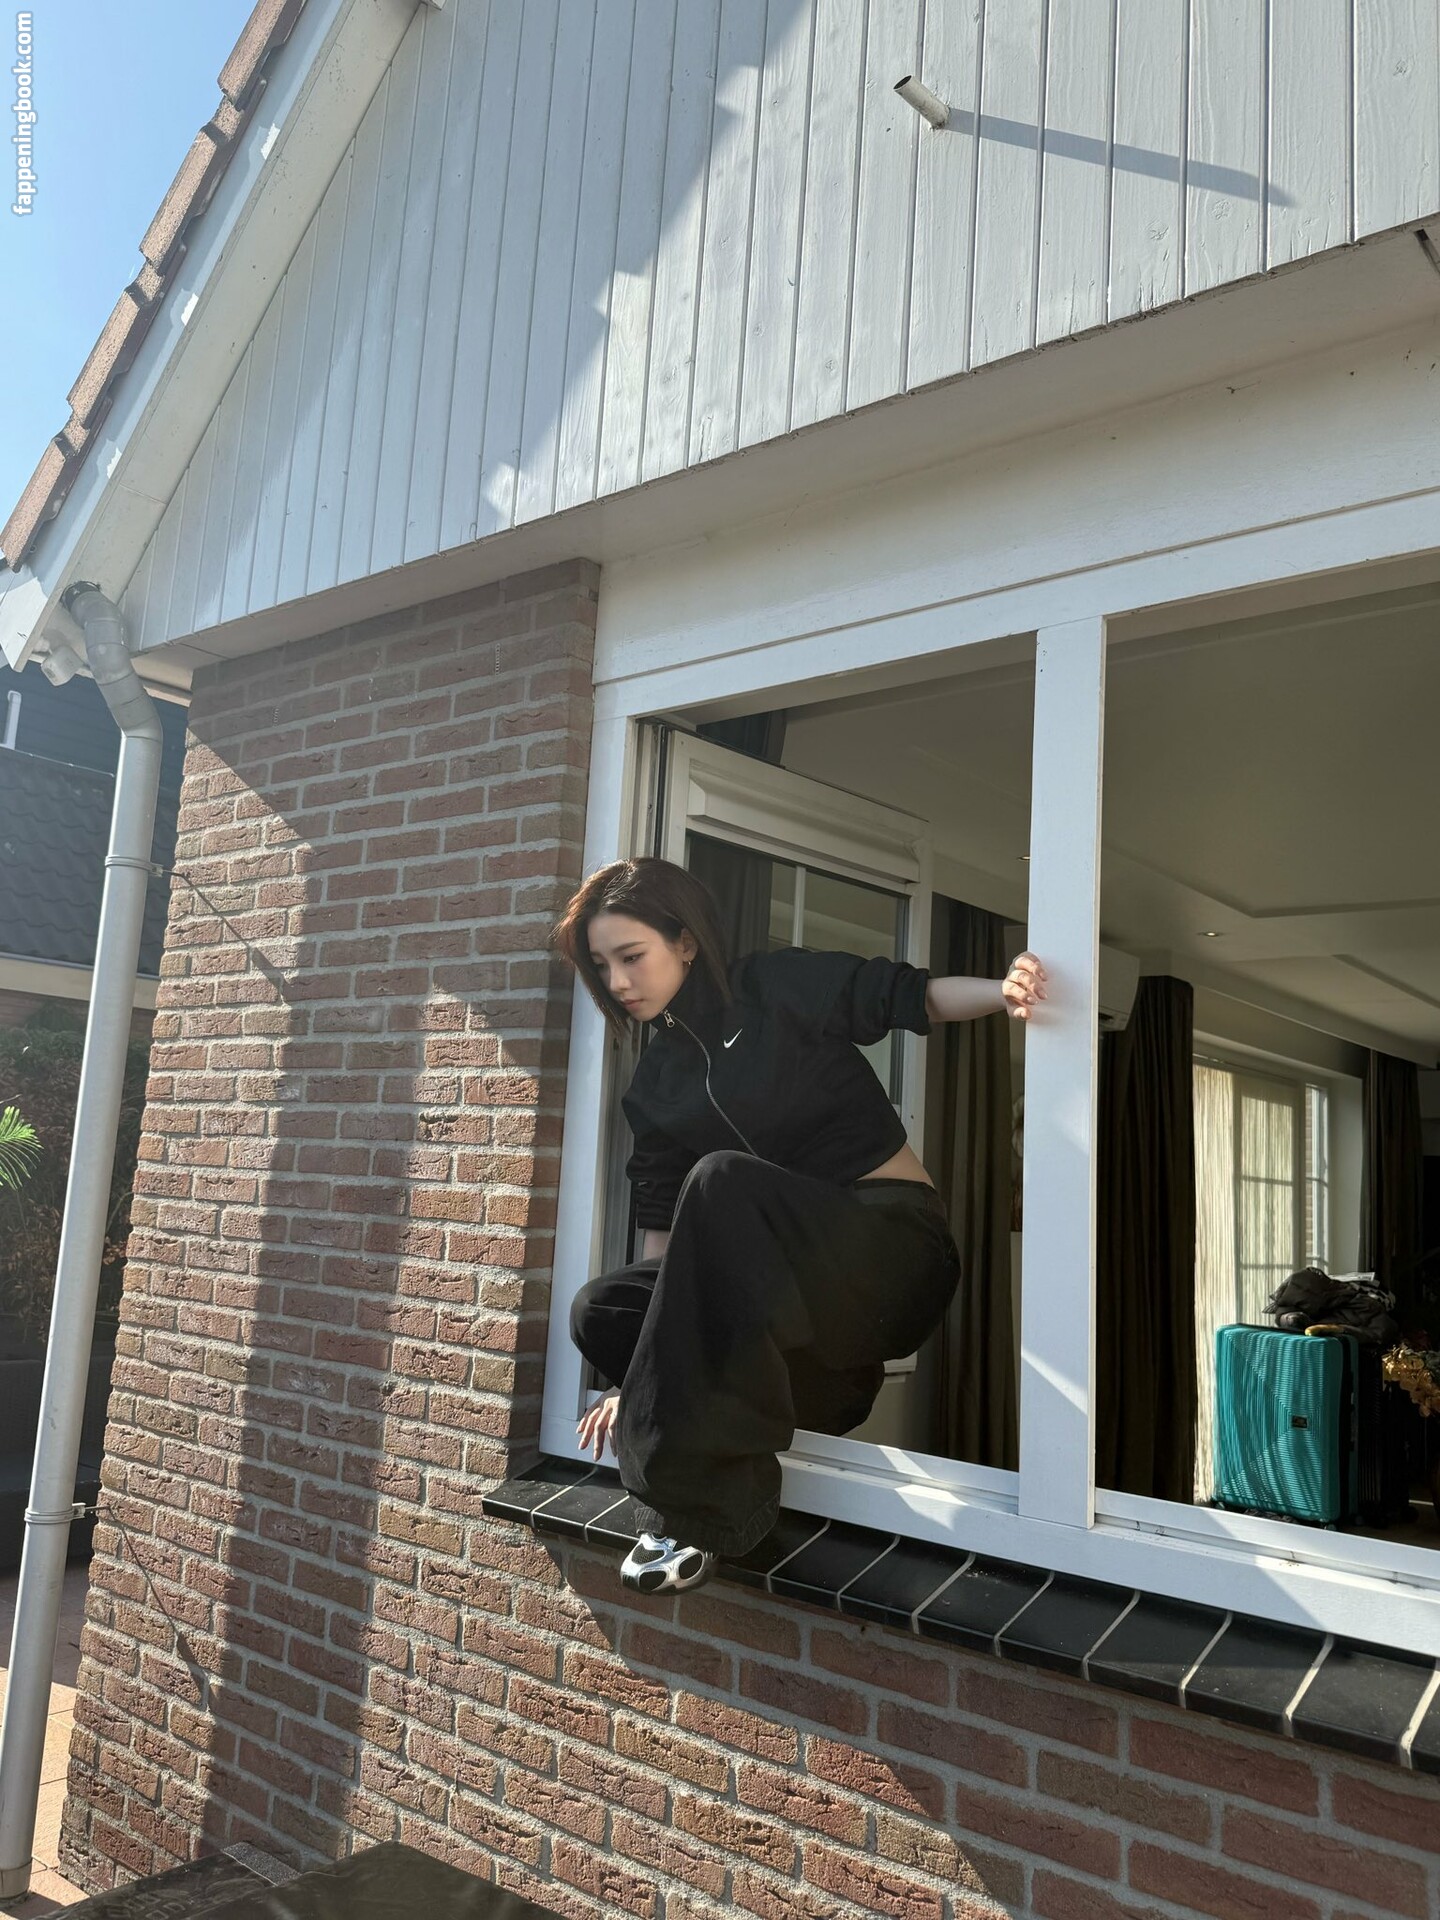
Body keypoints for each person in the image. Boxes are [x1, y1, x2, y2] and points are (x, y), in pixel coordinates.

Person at [552, 857, 1046, 1594]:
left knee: (720, 1179)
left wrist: (1003, 992)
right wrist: (642, 1375)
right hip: (807, 1317)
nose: (619, 981)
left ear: (685, 942)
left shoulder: (773, 987)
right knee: (600, 1308)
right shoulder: (657, 1084)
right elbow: (665, 1245)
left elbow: (908, 996)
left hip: (892, 1251)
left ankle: (693, 1517)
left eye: (632, 956)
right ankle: (816, 1398)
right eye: (602, 965)